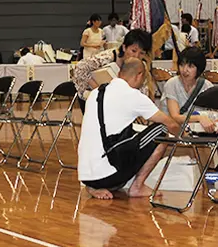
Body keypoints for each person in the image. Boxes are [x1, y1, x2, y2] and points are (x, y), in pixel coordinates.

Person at [77, 58, 181, 200]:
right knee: (161, 130)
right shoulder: (133, 95)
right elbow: (171, 124)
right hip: (108, 176)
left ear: (119, 73)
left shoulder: (96, 92)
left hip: (86, 177)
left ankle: (95, 186)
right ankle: (137, 186)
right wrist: (188, 137)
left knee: (129, 132)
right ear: (139, 75)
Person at [71, 28, 152, 105]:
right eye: (133, 51)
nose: (136, 56)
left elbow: (143, 93)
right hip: (94, 99)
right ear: (124, 47)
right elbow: (79, 68)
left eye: (142, 53)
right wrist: (99, 90)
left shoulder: (141, 67)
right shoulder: (108, 57)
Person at [163, 47, 216, 131]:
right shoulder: (172, 84)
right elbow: (175, 117)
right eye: (182, 65)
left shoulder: (207, 86)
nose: (184, 70)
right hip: (173, 132)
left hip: (198, 133)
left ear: (199, 68)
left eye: (190, 66)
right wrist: (199, 118)